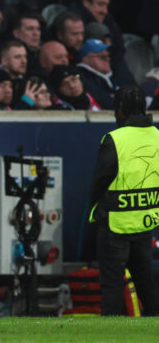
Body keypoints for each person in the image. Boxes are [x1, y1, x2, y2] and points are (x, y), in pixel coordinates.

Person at [89, 85, 159, 316]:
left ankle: (110, 333)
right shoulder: (157, 136)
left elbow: (100, 181)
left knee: (112, 285)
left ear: (119, 109)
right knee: (146, 284)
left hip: (115, 224)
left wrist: (94, 211)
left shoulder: (115, 139)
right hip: (145, 222)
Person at [77, 39, 118, 110]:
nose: (107, 59)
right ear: (85, 59)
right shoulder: (82, 78)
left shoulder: (113, 74)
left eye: (108, 56)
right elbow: (107, 103)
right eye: (102, 57)